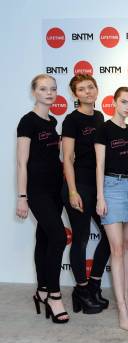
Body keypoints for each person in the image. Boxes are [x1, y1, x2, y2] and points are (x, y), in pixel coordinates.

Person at [16, 74, 68, 323]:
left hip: (56, 189)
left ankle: (42, 290)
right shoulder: (27, 122)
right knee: (59, 237)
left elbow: (53, 157)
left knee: (45, 237)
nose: (49, 93)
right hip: (37, 191)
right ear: (34, 92)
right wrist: (22, 196)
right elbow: (22, 162)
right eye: (44, 89)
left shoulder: (52, 121)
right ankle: (54, 296)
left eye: (53, 89)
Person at [95, 86, 128, 331]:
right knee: (116, 249)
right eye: (124, 101)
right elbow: (99, 164)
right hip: (111, 188)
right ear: (114, 102)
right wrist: (100, 196)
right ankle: (122, 310)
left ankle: (125, 297)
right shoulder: (103, 129)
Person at [61, 74, 110, 315]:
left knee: (110, 237)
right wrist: (72, 191)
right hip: (78, 185)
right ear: (75, 94)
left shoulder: (100, 117)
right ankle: (81, 289)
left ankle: (94, 284)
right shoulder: (71, 120)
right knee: (80, 238)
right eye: (82, 89)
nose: (88, 92)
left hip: (98, 186)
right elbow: (68, 158)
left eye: (91, 87)